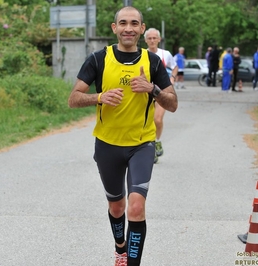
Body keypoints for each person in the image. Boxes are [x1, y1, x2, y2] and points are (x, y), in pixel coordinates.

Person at [67, 6, 178, 266]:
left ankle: (131, 263)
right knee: (117, 208)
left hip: (141, 144)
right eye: (123, 23)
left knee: (136, 208)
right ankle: (120, 248)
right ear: (114, 28)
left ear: (141, 29)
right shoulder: (98, 59)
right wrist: (99, 97)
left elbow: (172, 104)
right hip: (107, 145)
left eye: (134, 23)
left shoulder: (152, 62)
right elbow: (73, 99)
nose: (129, 27)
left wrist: (152, 89)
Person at [144, 27, 178, 163]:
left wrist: (173, 77)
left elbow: (174, 67)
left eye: (154, 38)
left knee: (157, 119)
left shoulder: (165, 54)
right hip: (146, 93)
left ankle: (156, 142)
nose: (152, 41)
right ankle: (149, 146)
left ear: (159, 39)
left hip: (161, 92)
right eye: (149, 38)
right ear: (145, 40)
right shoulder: (142, 54)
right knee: (147, 121)